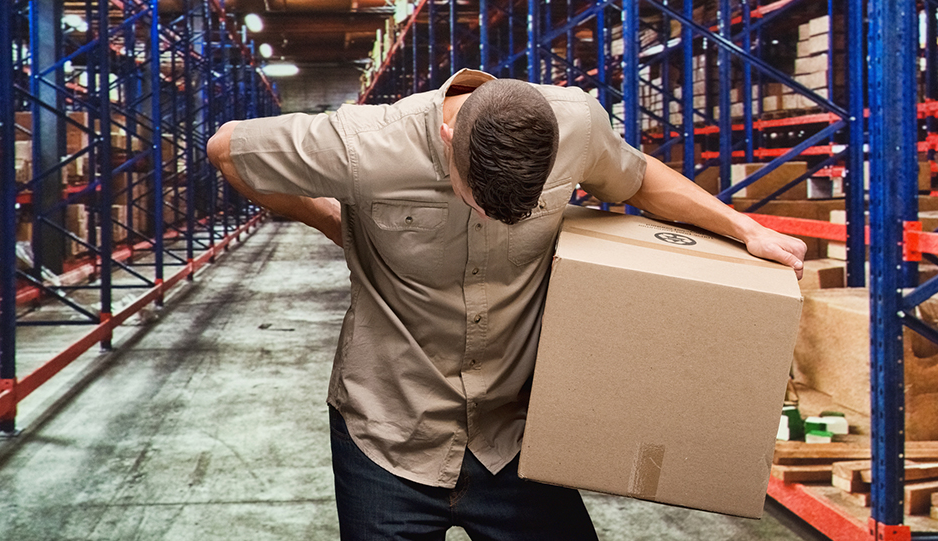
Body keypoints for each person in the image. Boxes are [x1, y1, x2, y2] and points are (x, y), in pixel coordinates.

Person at [206, 69, 806, 540]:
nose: (495, 219)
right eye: (480, 200)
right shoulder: (363, 143)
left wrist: (740, 225)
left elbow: (641, 177)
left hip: (513, 431)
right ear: (448, 142)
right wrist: (335, 222)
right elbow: (226, 149)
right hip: (387, 430)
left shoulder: (578, 123)